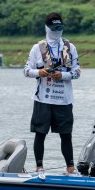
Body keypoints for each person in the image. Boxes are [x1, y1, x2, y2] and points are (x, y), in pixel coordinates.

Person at [23, 12, 81, 176]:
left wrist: (63, 75)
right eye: (54, 29)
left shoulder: (70, 48)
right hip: (43, 100)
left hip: (64, 100)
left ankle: (70, 168)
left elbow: (77, 72)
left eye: (59, 28)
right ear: (47, 28)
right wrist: (39, 72)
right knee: (40, 134)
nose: (57, 32)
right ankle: (39, 167)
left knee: (66, 135)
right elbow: (26, 71)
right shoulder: (37, 48)